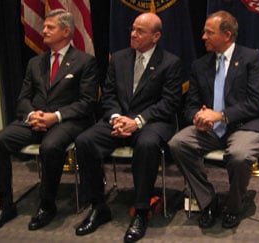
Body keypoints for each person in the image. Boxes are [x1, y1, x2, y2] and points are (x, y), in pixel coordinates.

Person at [0, 9, 98, 233]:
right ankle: (5, 204)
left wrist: (54, 117)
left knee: (50, 146)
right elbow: (23, 98)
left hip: (67, 121)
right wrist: (32, 115)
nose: (44, 31)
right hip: (35, 120)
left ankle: (47, 205)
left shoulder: (85, 62)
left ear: (66, 32)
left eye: (50, 27)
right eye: (44, 26)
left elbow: (86, 103)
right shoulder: (35, 62)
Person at [74, 12, 183, 242]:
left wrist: (137, 122)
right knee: (85, 141)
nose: (133, 34)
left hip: (152, 122)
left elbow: (169, 103)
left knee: (147, 144)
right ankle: (98, 205)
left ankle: (141, 210)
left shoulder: (170, 63)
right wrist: (115, 118)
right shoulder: (119, 59)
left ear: (156, 36)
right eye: (133, 29)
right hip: (118, 119)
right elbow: (109, 94)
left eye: (140, 31)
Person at [169, 10, 259, 229]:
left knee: (238, 155)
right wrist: (197, 118)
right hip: (209, 130)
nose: (203, 37)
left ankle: (234, 206)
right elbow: (190, 106)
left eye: (209, 33)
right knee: (177, 143)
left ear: (227, 35)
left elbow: (256, 103)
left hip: (246, 126)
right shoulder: (200, 65)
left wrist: (221, 115)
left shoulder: (252, 59)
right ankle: (207, 201)